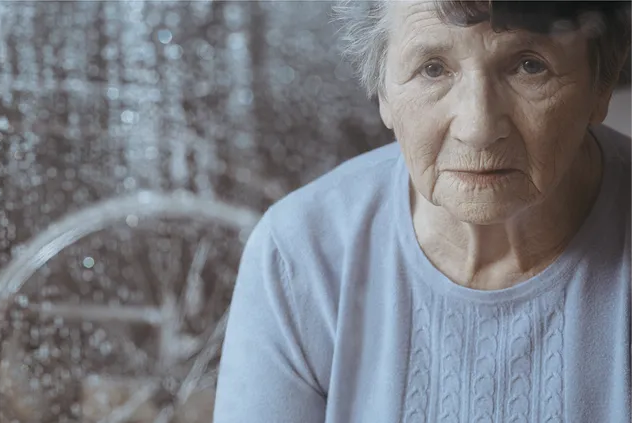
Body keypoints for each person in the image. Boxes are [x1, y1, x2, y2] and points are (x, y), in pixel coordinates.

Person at [214, 1, 632, 421]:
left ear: (601, 84)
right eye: (433, 68)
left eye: (529, 66)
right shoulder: (298, 257)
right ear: (383, 92)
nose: (478, 128)